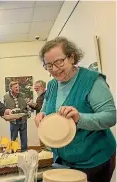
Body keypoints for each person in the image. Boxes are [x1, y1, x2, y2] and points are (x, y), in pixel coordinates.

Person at [35, 37, 116, 182]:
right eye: (48, 65)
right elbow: (46, 109)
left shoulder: (92, 80)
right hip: (65, 160)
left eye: (59, 62)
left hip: (94, 159)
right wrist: (42, 115)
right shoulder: (52, 85)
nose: (54, 69)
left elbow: (110, 117)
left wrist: (79, 118)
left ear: (72, 57)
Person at [3, 81, 29, 152]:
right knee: (13, 138)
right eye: (15, 87)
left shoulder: (23, 95)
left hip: (23, 120)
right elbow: (4, 109)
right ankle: (12, 152)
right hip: (13, 121)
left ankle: (24, 151)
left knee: (24, 138)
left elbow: (27, 107)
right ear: (11, 88)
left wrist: (27, 113)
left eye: (18, 87)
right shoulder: (6, 97)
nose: (18, 88)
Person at [27, 80, 47, 150]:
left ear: (42, 87)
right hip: (40, 120)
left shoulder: (46, 95)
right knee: (42, 137)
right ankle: (44, 151)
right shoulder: (40, 95)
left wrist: (32, 104)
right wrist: (31, 104)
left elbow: (42, 108)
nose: (35, 89)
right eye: (34, 88)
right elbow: (37, 107)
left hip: (45, 120)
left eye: (36, 87)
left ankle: (46, 152)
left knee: (45, 137)